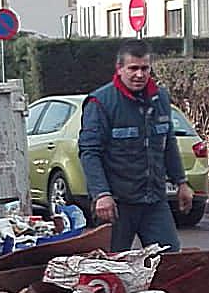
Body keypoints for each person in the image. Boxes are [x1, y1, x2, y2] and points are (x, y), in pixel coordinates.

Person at [78, 39, 192, 252]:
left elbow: (168, 144)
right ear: (119, 69)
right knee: (113, 266)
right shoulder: (100, 103)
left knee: (169, 259)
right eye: (133, 68)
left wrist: (181, 182)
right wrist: (102, 194)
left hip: (153, 200)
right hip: (116, 204)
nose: (139, 74)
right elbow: (89, 153)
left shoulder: (160, 99)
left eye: (144, 68)